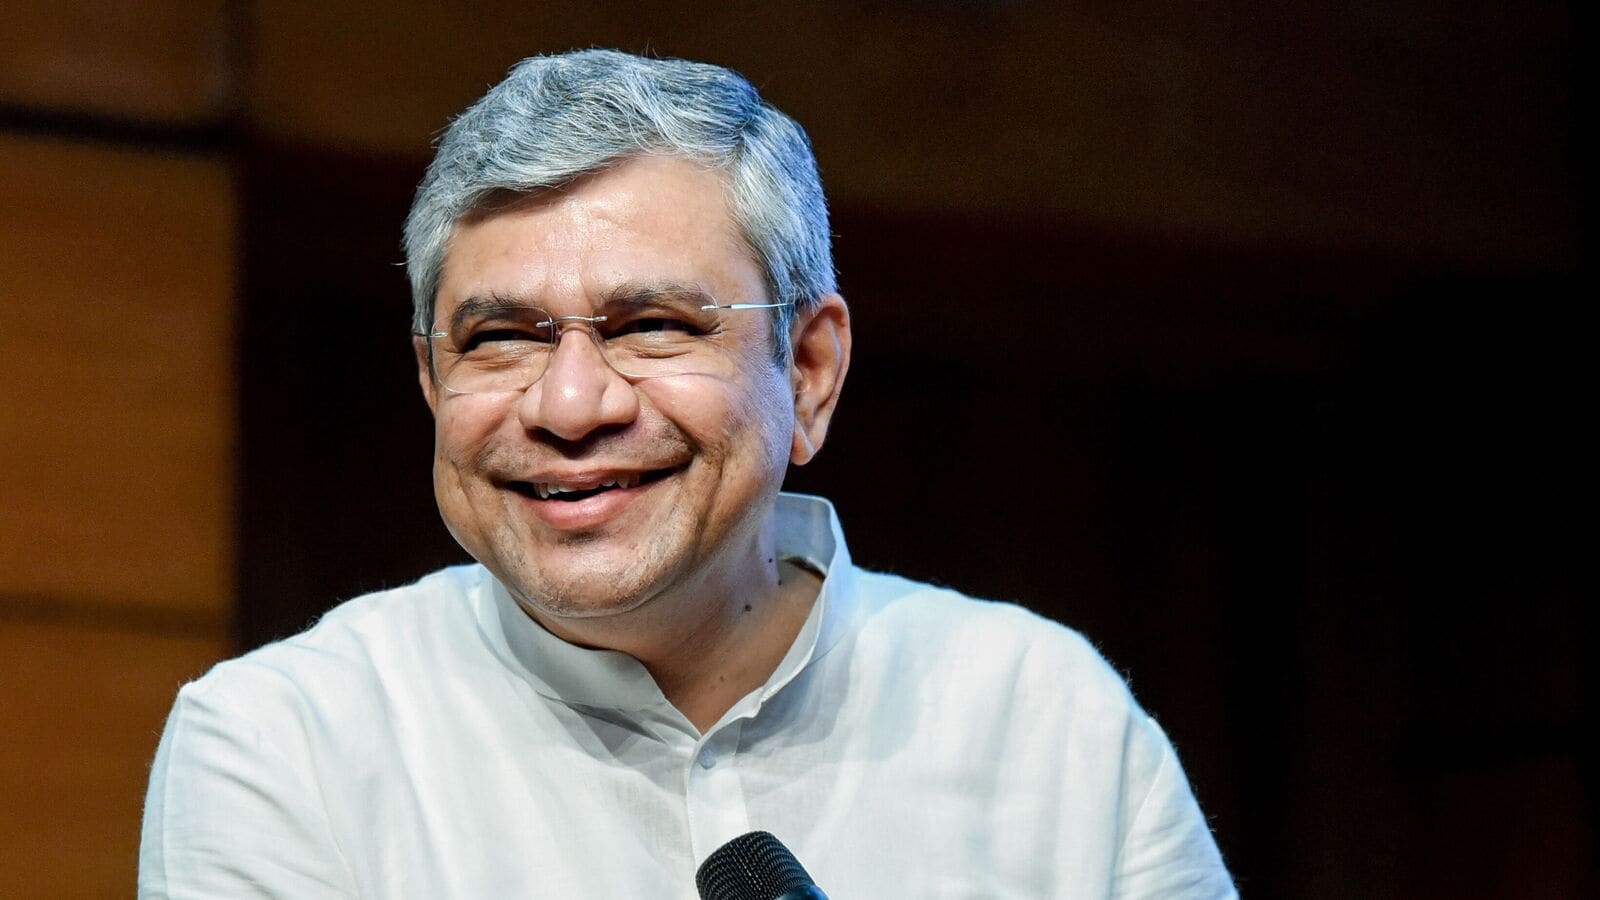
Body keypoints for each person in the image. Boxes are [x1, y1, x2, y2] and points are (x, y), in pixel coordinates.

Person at [139, 49, 1234, 897]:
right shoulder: (285, 745)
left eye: (652, 325)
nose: (571, 406)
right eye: (500, 338)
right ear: (431, 381)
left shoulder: (1047, 723)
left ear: (808, 371)